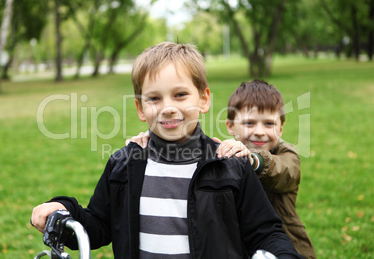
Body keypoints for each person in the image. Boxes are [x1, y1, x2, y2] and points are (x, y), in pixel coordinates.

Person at [31, 42, 303, 258]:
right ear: (140, 108)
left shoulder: (230, 164)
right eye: (154, 98)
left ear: (204, 99)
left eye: (180, 95)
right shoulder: (124, 165)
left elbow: (266, 232)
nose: (168, 107)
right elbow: (99, 226)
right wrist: (65, 210)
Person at [127, 80, 316, 259]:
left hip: (285, 248)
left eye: (269, 124)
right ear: (230, 126)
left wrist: (254, 160)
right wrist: (154, 140)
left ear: (281, 128)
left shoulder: (287, 155)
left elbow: (284, 171)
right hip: (237, 246)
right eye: (249, 123)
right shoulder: (228, 153)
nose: (259, 131)